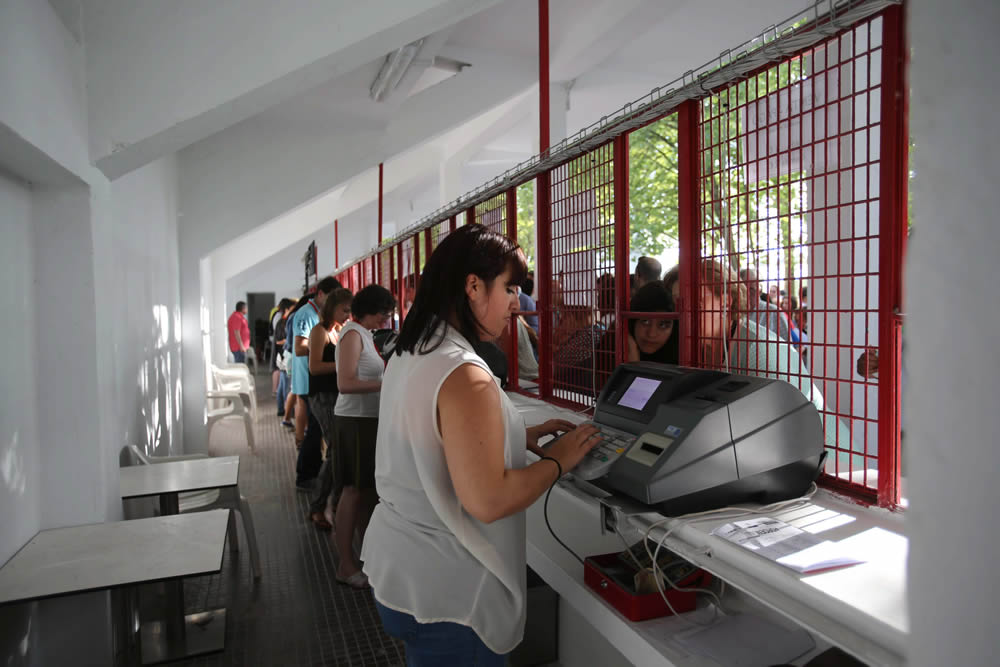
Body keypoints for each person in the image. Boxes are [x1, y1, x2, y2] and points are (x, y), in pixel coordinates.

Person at [362, 224, 600, 664]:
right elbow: (488, 501)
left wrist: (515, 437)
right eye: (509, 287)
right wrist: (559, 463)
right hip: (451, 594)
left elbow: (429, 438)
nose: (516, 302)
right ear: (473, 286)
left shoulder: (414, 350)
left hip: (403, 568)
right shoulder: (463, 373)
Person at [698, 260, 855, 468]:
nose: (680, 313)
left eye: (697, 303)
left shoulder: (758, 349)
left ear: (726, 302)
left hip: (831, 466)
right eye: (676, 304)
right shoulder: (701, 348)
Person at [332, 283, 396, 588]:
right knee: (352, 492)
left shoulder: (365, 334)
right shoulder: (352, 334)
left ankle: (366, 559)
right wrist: (388, 384)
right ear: (370, 310)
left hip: (367, 420)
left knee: (365, 492)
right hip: (354, 421)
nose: (385, 321)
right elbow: (345, 383)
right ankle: (345, 564)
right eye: (383, 315)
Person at [291, 277, 342, 490]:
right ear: (320, 293)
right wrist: (322, 345)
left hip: (316, 380)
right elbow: (299, 348)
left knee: (316, 429)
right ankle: (305, 475)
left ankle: (311, 469)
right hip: (308, 379)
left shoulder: (321, 316)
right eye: (332, 298)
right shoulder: (306, 314)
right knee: (314, 430)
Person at [626, 281, 679, 365]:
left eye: (663, 325)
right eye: (645, 321)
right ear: (633, 321)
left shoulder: (685, 360)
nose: (651, 334)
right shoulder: (612, 347)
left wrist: (634, 365)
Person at [738, 268, 790, 341]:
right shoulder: (730, 312)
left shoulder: (774, 313)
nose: (747, 294)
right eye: (743, 289)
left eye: (752, 289)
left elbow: (787, 347)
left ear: (760, 291)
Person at [271, 298, 294, 395]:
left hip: (283, 356)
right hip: (284, 356)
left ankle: (281, 408)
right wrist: (289, 340)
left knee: (283, 384)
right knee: (286, 386)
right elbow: (278, 341)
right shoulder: (282, 323)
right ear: (287, 309)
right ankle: (285, 408)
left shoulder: (283, 321)